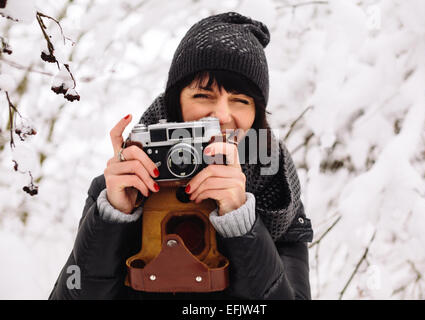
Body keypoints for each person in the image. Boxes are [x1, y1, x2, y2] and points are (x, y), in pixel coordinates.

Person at [49, 11, 313, 300]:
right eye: (203, 95)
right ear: (176, 103)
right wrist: (112, 218)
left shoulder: (277, 197)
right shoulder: (121, 188)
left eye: (240, 100)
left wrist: (242, 223)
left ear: (256, 114)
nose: (222, 115)